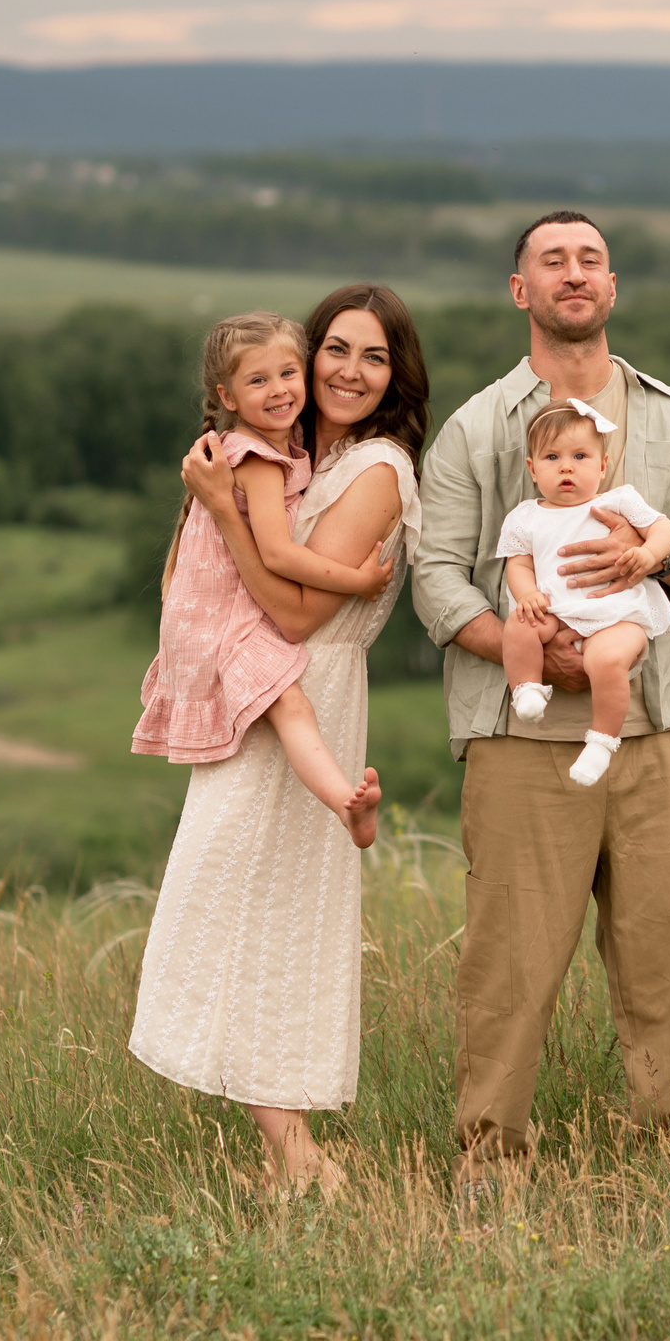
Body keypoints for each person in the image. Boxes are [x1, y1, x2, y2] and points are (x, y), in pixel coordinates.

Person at [413, 210, 670, 1180]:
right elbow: (435, 575)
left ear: (611, 286)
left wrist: (667, 553)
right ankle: (490, 1163)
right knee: (511, 957)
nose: (573, 274)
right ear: (520, 291)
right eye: (550, 261)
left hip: (657, 721)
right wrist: (524, 650)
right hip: (521, 734)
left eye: (590, 260)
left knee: (665, 947)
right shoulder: (479, 427)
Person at [132, 287, 426, 1193]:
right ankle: (290, 1155)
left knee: (268, 919)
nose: (345, 371)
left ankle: (303, 1159)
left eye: (372, 357)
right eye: (333, 349)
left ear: (396, 376)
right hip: (255, 688)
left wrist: (221, 509)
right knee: (228, 911)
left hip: (305, 683)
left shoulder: (375, 467)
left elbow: (297, 613)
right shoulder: (291, 454)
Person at [133, 313, 387, 848]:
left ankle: (344, 804)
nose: (279, 391)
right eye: (257, 381)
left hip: (209, 617)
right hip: (226, 622)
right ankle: (346, 803)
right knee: (292, 707)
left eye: (288, 373)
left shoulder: (261, 446)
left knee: (289, 709)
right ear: (227, 396)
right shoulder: (258, 460)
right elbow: (276, 553)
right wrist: (355, 580)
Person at [496, 400, 670, 785]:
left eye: (580, 456)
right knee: (519, 625)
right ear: (532, 469)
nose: (566, 466)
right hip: (556, 608)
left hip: (616, 612)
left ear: (602, 466)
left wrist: (648, 554)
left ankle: (601, 741)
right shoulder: (526, 516)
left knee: (608, 660)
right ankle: (527, 688)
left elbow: (665, 530)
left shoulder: (617, 501)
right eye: (552, 457)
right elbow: (518, 564)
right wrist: (527, 593)